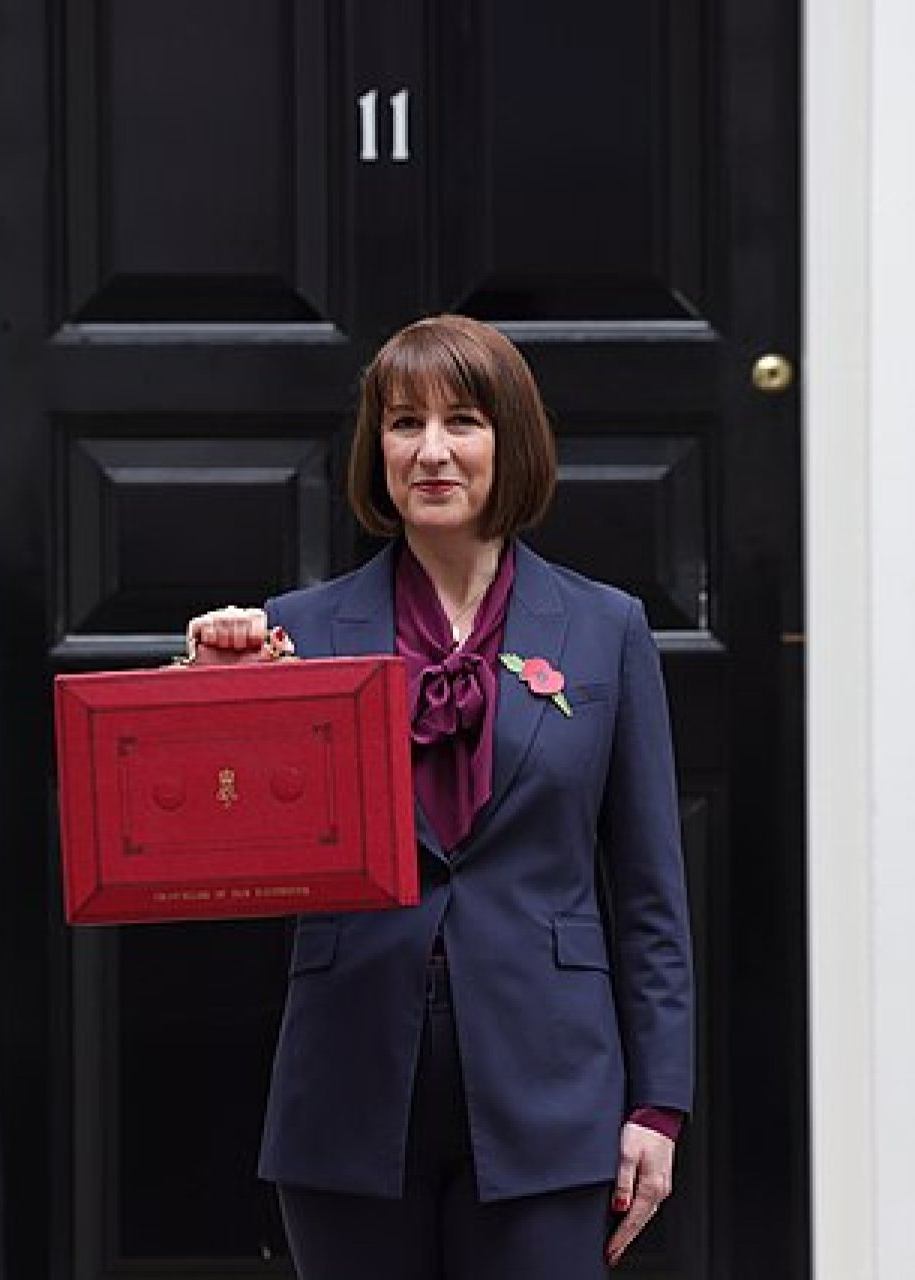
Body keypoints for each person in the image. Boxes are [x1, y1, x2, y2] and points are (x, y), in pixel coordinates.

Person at [188, 315, 693, 1279]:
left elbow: (650, 897)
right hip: (346, 1091)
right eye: (402, 423)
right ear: (374, 449)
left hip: (552, 1088)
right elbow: (226, 856)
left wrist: (658, 1106)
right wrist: (213, 693)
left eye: (461, 421)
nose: (430, 451)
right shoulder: (299, 628)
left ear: (511, 442)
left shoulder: (603, 628)